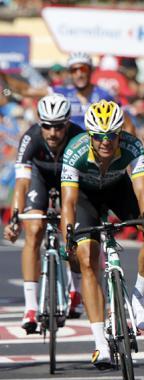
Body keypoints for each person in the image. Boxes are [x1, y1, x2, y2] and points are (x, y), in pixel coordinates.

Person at [60, 100, 144, 369]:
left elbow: (143, 192)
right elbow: (69, 202)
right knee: (87, 259)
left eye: (112, 135)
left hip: (119, 189)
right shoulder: (75, 150)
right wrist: (68, 235)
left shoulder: (132, 146)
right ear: (90, 136)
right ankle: (100, 344)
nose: (106, 142)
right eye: (99, 136)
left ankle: (138, 296)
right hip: (86, 197)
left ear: (120, 133)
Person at [3, 93, 85, 333]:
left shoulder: (79, 137)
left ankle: (75, 290)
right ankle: (30, 307)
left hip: (71, 181)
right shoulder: (31, 138)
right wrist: (15, 218)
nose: (52, 132)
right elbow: (21, 183)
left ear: (67, 124)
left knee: (74, 234)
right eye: (47, 126)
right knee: (34, 230)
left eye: (58, 126)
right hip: (40, 179)